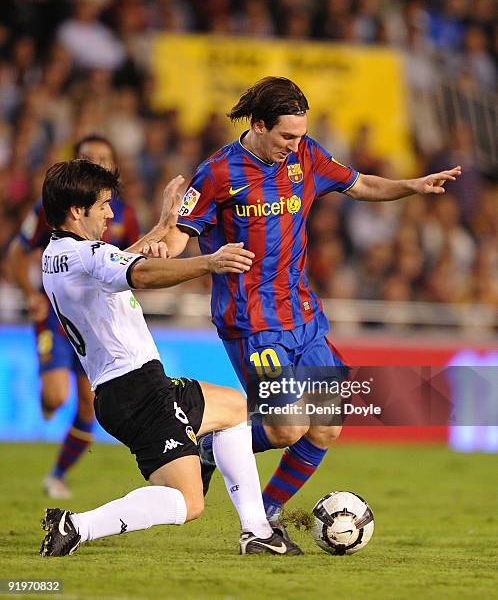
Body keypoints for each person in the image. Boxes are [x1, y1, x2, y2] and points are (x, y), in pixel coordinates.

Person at [159, 76, 462, 525]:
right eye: (286, 135)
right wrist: (162, 246)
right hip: (253, 321)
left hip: (302, 315)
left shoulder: (307, 154)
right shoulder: (219, 172)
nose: (295, 144)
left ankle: (267, 514)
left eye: (300, 134)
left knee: (327, 423)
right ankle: (206, 446)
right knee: (286, 428)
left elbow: (360, 186)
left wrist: (411, 186)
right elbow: (182, 232)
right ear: (259, 125)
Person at [39, 159, 302, 557]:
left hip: (131, 387)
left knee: (233, 409)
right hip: (135, 391)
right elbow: (139, 274)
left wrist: (165, 225)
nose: (111, 213)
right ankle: (77, 525)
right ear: (77, 211)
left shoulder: (59, 255)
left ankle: (257, 531)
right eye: (104, 205)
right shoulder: (85, 255)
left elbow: (120, 263)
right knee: (188, 503)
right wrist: (209, 263)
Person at [7, 135, 141, 499]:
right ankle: (47, 401)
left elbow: (126, 261)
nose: (97, 163)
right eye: (89, 158)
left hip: (95, 322)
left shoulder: (121, 214)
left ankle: (58, 474)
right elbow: (16, 253)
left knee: (87, 404)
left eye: (104, 158)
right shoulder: (50, 208)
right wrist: (30, 293)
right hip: (55, 316)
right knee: (55, 396)